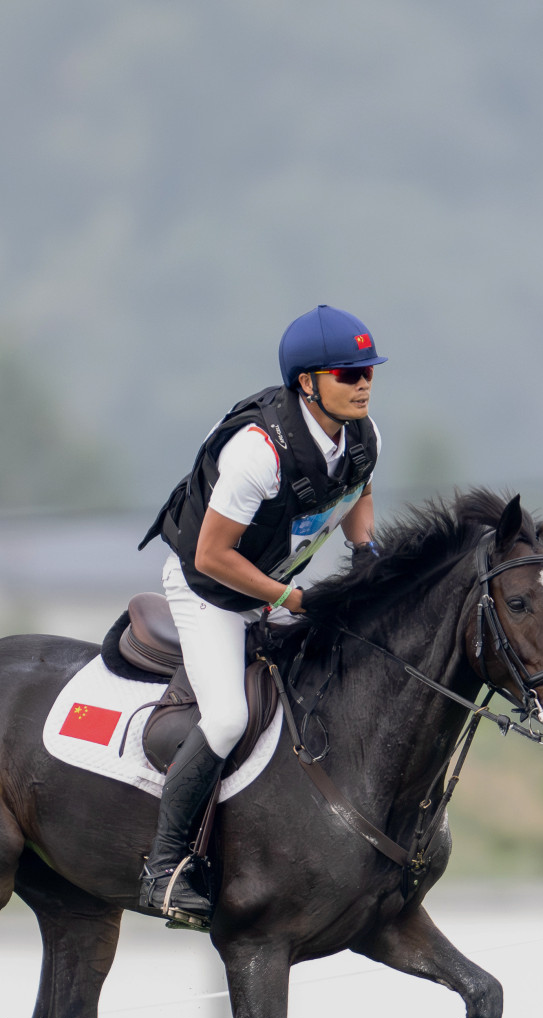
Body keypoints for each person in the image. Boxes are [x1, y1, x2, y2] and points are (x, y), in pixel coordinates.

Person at [137, 304, 387, 921]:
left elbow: (358, 488)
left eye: (368, 373)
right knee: (226, 719)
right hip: (210, 589)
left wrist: (367, 558)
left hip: (267, 585)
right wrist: (294, 599)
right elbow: (212, 555)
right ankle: (164, 870)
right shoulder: (259, 452)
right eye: (347, 374)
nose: (363, 384)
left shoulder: (364, 434)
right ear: (308, 383)